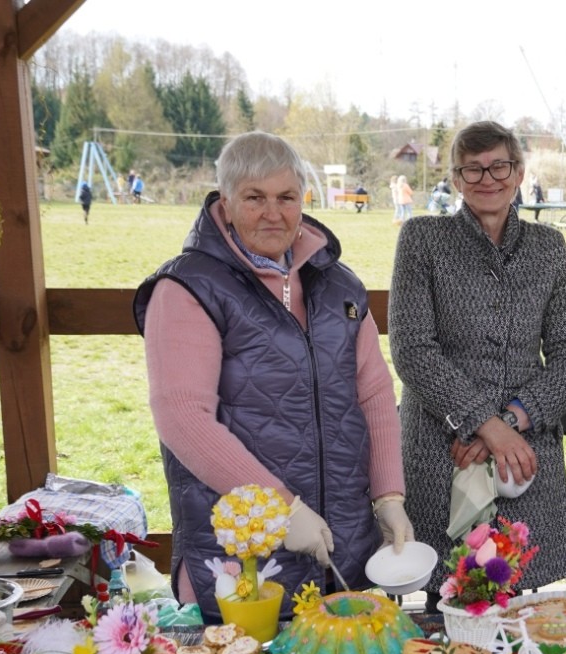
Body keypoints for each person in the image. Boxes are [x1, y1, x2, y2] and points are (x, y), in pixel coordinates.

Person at [134, 131, 413, 622]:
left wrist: (389, 495)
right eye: (254, 198)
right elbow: (182, 418)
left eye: (286, 198)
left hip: (343, 552)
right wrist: (281, 510)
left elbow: (373, 395)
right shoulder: (188, 289)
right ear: (225, 202)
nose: (273, 213)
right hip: (243, 566)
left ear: (302, 199)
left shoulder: (338, 286)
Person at [389, 120, 566, 610]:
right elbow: (413, 349)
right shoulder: (423, 239)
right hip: (442, 447)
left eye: (499, 166)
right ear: (456, 179)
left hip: (523, 449)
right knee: (451, 591)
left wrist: (511, 423)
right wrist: (484, 426)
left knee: (517, 593)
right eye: (472, 170)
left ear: (519, 173)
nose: (487, 179)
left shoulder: (547, 248)